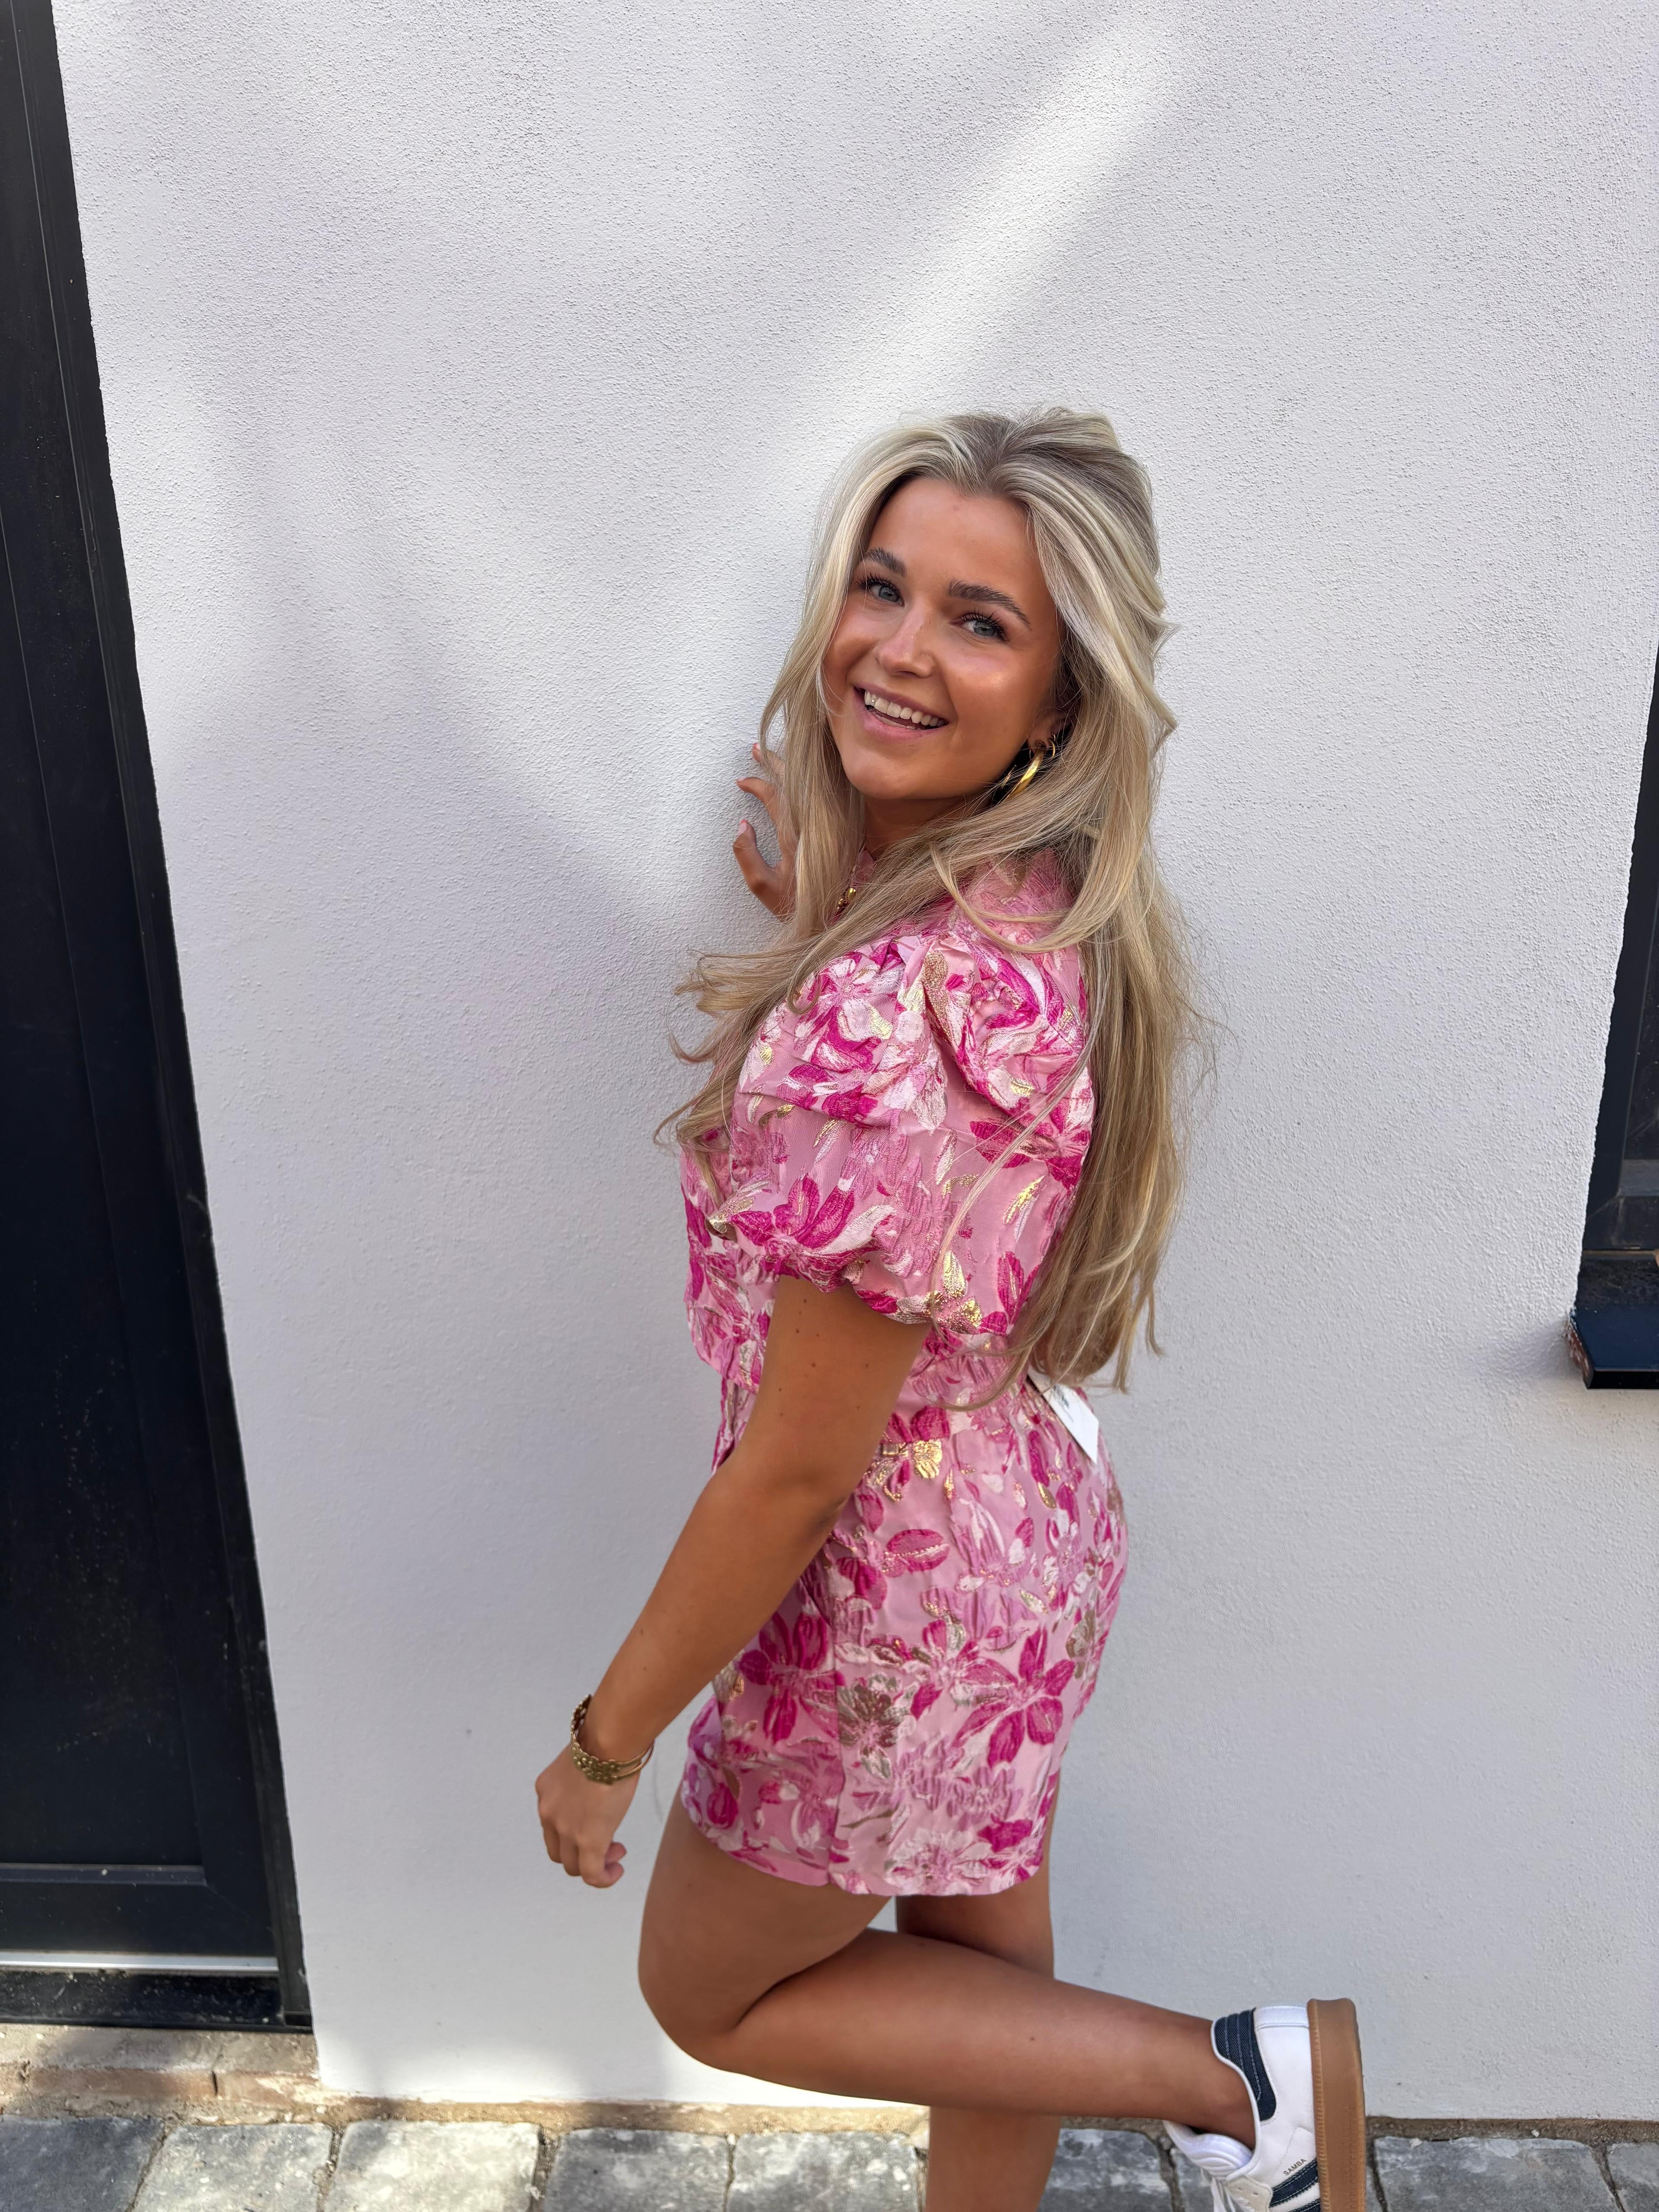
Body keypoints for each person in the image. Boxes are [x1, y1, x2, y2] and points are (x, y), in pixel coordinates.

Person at [535, 410, 1365, 2212]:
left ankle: (1243, 2084)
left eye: (980, 622)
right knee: (984, 1984)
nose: (901, 647)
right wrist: (833, 918)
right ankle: (1233, 2098)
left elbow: (794, 1474)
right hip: (1012, 1542)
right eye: (882, 586)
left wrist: (605, 1743)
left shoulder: (880, 1016)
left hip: (886, 1601)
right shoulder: (1028, 910)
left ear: (1063, 697)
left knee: (708, 1986)